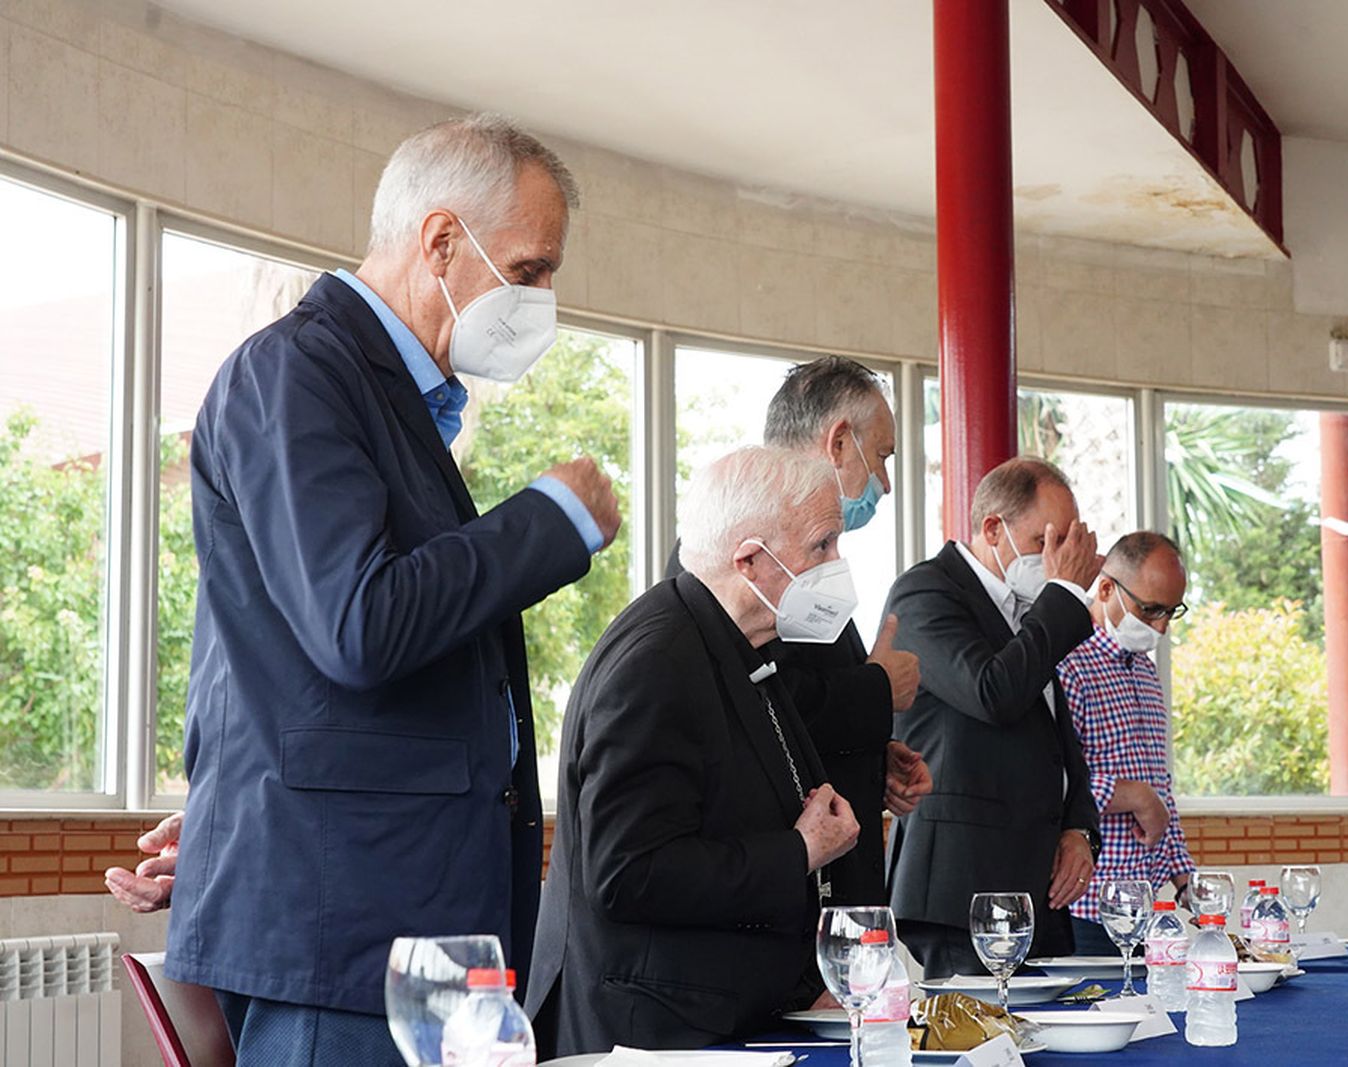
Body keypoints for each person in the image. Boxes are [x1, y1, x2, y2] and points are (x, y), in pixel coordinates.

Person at [110, 115, 620, 1065]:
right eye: (533, 267)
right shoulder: (299, 369)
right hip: (346, 932)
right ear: (440, 241)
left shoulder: (389, 397)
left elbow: (293, 671)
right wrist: (552, 519)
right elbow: (358, 622)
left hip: (415, 922)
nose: (545, 296)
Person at [528, 447, 859, 1055]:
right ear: (752, 560)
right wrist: (799, 851)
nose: (837, 563)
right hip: (651, 1034)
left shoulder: (735, 643)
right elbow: (628, 873)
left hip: (726, 1017)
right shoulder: (659, 661)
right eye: (822, 545)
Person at [665, 356, 930, 906]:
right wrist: (879, 688)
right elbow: (759, 701)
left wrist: (875, 757)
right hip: (775, 876)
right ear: (838, 443)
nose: (884, 480)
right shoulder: (721, 550)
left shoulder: (808, 562)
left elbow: (807, 712)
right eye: (880, 455)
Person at [884, 457, 1104, 978]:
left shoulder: (1031, 610)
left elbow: (1056, 739)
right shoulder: (928, 593)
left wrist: (1079, 828)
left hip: (1037, 892)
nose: (1055, 564)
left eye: (1064, 548)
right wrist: (1065, 596)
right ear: (992, 529)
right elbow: (992, 693)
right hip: (962, 888)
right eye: (1041, 544)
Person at [1057, 532, 1196, 955]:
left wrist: (1187, 881)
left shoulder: (1146, 672)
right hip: (1085, 909)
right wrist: (1130, 795)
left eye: (1172, 613)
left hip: (1147, 909)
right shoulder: (1067, 663)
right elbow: (1050, 778)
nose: (1161, 627)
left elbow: (1159, 786)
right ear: (1105, 589)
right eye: (1151, 610)